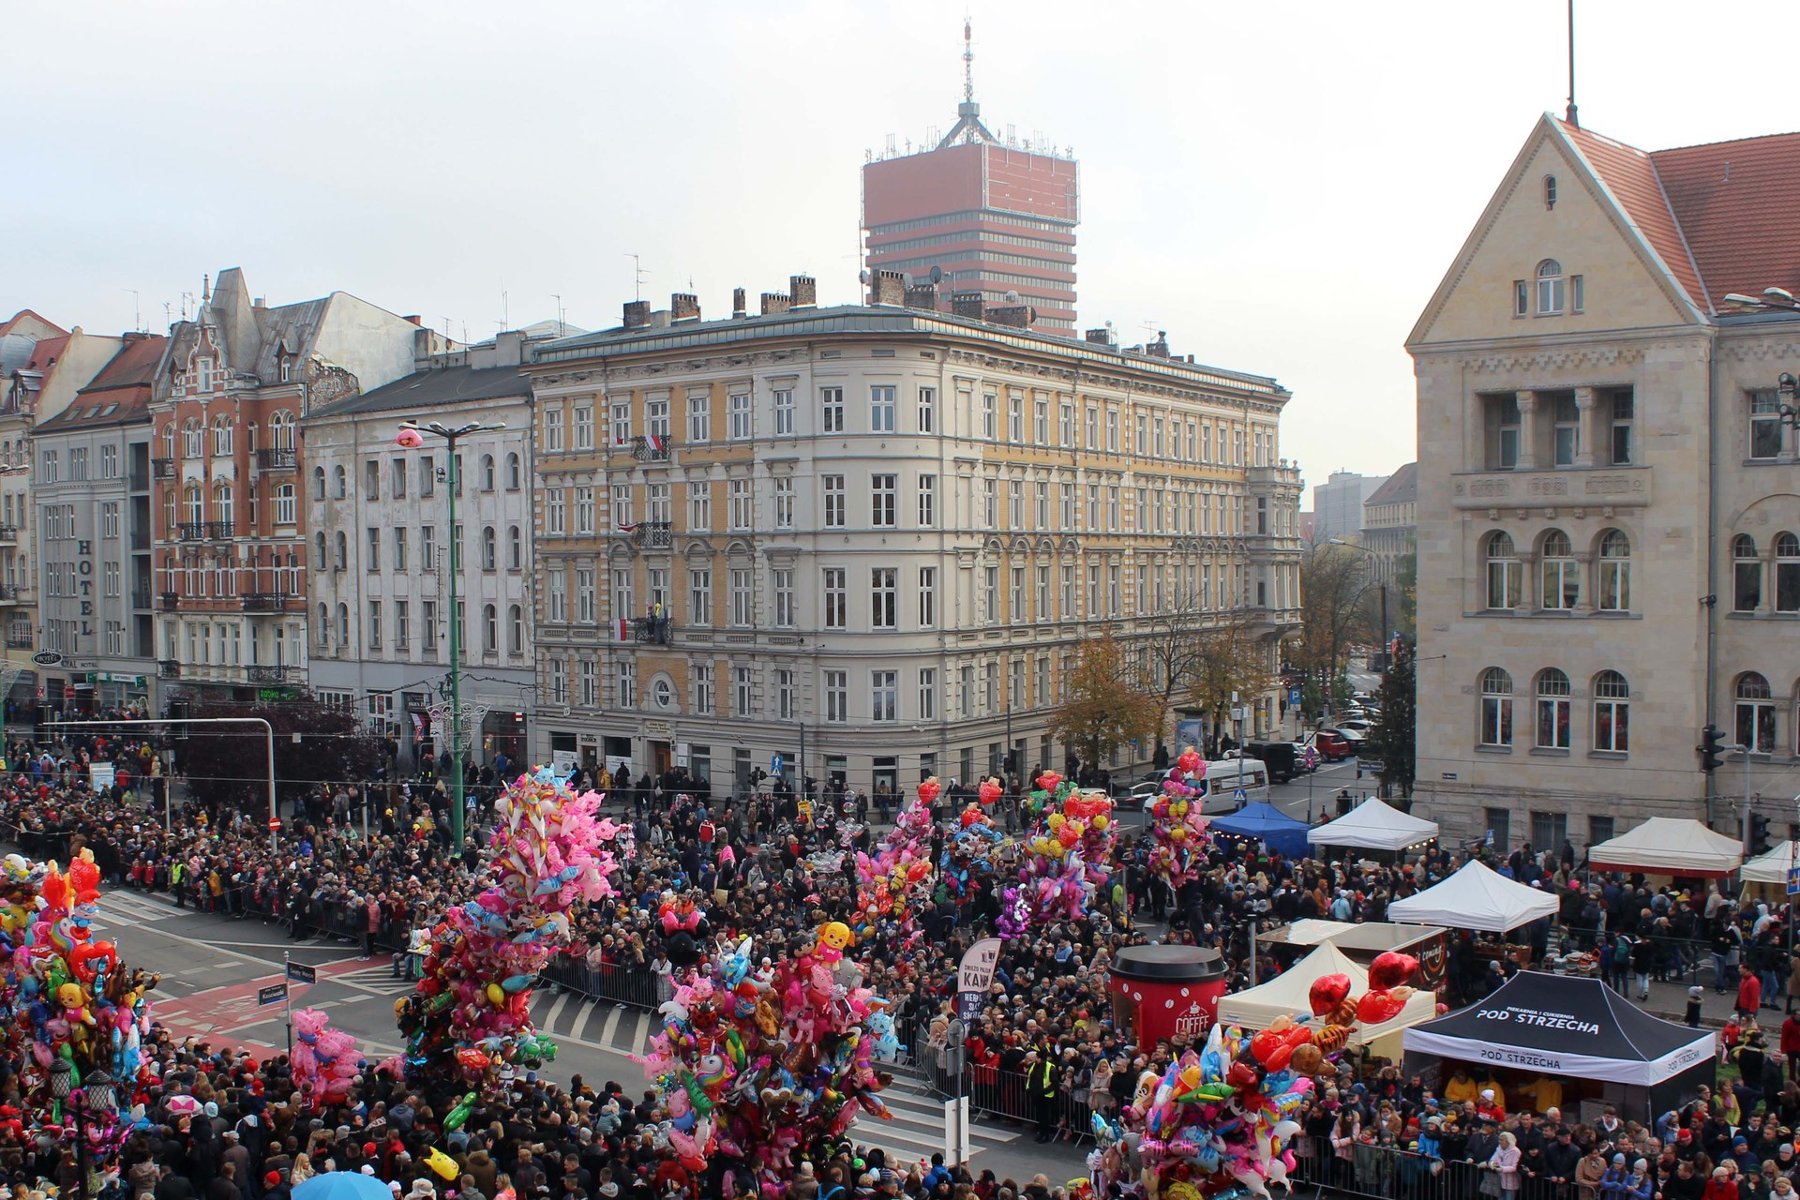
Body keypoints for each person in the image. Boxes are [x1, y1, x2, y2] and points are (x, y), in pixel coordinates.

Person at [1487, 1130, 1522, 1200]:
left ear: (1508, 1141)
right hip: (1499, 1181)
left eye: (1501, 1140)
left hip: (1511, 1183)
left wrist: (1501, 1168)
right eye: (1499, 1139)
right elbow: (1492, 1160)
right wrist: (1493, 1165)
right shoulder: (1498, 1149)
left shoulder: (1516, 1151)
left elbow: (1513, 1167)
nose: (1499, 1141)